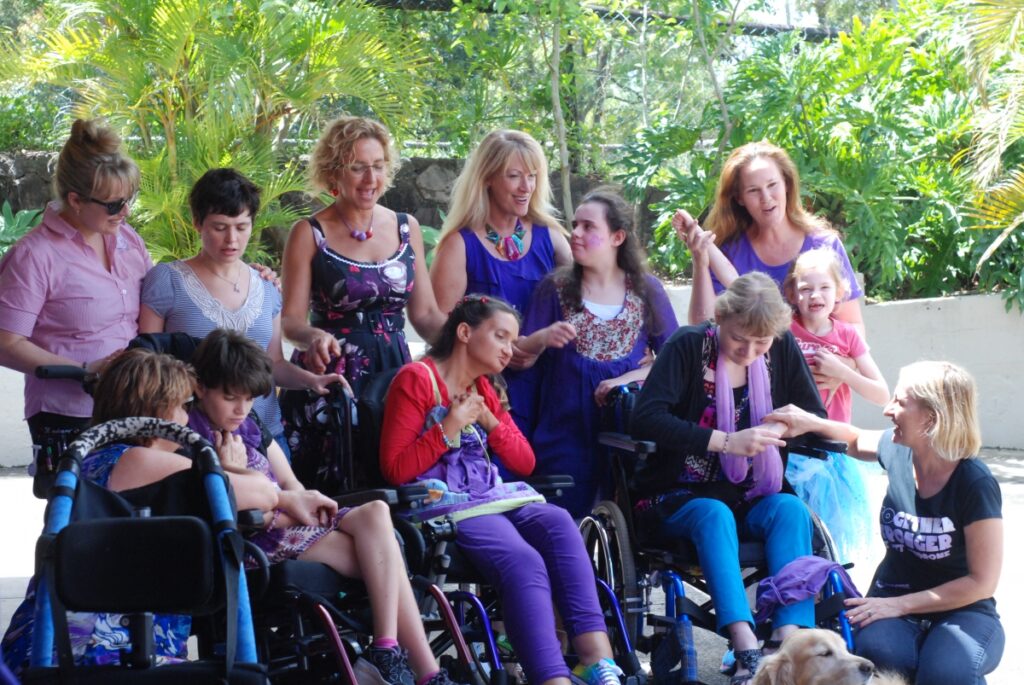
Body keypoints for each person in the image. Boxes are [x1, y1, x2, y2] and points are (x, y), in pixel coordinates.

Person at [189, 330, 469, 685]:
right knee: (388, 559)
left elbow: (291, 485)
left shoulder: (249, 425)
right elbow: (225, 505)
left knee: (376, 513)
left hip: (291, 518)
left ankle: (385, 650)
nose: (241, 409)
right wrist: (235, 471)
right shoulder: (191, 436)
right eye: (231, 398)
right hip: (255, 535)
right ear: (200, 388)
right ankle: (421, 670)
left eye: (248, 399)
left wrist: (306, 503)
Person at [379, 296, 624, 685]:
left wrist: (490, 419)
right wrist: (450, 426)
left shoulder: (484, 387)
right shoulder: (416, 379)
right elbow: (395, 469)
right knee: (523, 560)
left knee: (559, 521)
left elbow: (526, 462)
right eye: (500, 337)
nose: (510, 349)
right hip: (442, 502)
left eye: (512, 340)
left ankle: (596, 660)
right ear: (464, 333)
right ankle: (551, 676)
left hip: (489, 495)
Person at [0, 347, 271, 674]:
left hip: (40, 646)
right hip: (108, 653)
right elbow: (262, 494)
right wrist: (232, 467)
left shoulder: (88, 461)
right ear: (160, 411)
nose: (187, 418)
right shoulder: (144, 460)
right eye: (183, 407)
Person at [628, 272, 828, 684]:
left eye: (762, 343)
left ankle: (788, 640)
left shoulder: (781, 345)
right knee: (714, 513)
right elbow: (645, 418)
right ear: (720, 318)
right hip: (677, 493)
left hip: (750, 491)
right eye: (740, 339)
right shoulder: (687, 346)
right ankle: (745, 646)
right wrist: (725, 441)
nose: (751, 352)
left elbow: (815, 418)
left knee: (791, 510)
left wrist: (783, 428)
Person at [766, 361, 1004, 685]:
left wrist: (900, 605)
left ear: (931, 418)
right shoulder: (897, 451)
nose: (888, 410)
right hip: (891, 596)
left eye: (900, 402)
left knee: (946, 673)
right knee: (882, 657)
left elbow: (982, 582)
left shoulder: (974, 483)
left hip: (961, 609)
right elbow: (853, 439)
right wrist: (807, 421)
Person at [139, 168, 343, 456]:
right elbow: (147, 365)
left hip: (266, 438)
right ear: (197, 223)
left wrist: (312, 380)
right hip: (191, 442)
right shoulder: (167, 280)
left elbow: (273, 364)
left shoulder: (266, 285)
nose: (231, 240)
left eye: (241, 226)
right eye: (219, 227)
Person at [516, 188, 677, 517]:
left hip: (629, 440)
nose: (575, 234)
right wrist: (542, 338)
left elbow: (677, 364)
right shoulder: (554, 288)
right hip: (563, 440)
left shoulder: (648, 291)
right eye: (575, 224)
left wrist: (629, 377)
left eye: (589, 227)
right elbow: (522, 364)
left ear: (618, 237)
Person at [0, 118, 150, 454]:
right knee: (79, 505)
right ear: (76, 200)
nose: (125, 212)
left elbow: (159, 303)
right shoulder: (34, 255)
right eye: (113, 205)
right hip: (69, 414)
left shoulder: (129, 240)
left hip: (135, 405)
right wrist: (84, 371)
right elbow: (6, 342)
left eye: (130, 200)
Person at [281, 116, 445, 396]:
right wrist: (314, 336)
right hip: (331, 379)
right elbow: (291, 322)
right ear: (333, 172)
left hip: (394, 374)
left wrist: (469, 342)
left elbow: (426, 314)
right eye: (358, 168)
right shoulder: (309, 233)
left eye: (378, 166)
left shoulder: (407, 228)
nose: (371, 179)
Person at [430, 129, 572, 435]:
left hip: (549, 386)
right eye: (514, 176)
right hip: (486, 392)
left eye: (532, 176)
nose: (526, 187)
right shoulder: (459, 245)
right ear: (487, 178)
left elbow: (588, 299)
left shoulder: (552, 238)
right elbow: (441, 330)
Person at [674, 141, 864, 336]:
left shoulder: (825, 245)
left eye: (772, 185)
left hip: (821, 365)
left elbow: (854, 330)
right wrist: (699, 257)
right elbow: (704, 327)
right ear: (739, 198)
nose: (766, 198)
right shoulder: (728, 253)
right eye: (753, 190)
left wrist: (840, 365)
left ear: (787, 184)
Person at [780, 247, 889, 562]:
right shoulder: (784, 330)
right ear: (792, 294)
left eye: (825, 287)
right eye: (806, 288)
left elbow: (881, 393)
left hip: (832, 449)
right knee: (796, 527)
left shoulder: (848, 337)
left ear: (840, 292)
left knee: (832, 534)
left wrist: (844, 372)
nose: (816, 295)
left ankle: (829, 590)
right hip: (792, 447)